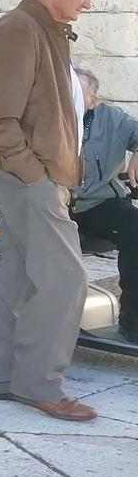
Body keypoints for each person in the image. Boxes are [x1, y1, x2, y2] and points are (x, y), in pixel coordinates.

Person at [0, 0, 98, 422]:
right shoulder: (18, 31)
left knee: (18, 277)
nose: (89, 1)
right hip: (28, 177)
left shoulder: (45, 30)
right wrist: (37, 176)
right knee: (67, 279)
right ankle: (39, 384)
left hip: (39, 176)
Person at [73, 67, 138, 342]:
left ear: (93, 99)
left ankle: (133, 322)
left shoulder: (110, 118)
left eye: (79, 92)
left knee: (134, 228)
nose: (73, 98)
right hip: (54, 204)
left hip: (97, 203)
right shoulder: (47, 115)